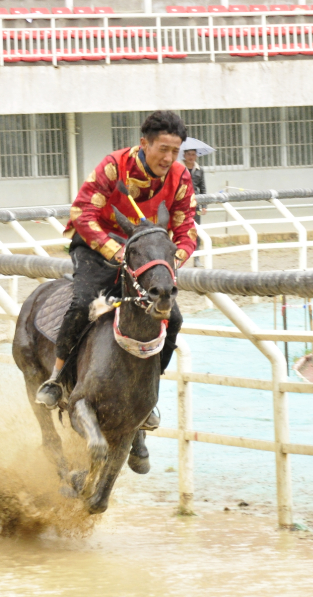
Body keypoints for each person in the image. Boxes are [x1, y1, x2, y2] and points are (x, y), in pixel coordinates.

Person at [35, 111, 198, 415]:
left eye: (175, 151)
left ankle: (148, 392)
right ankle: (57, 378)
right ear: (144, 144)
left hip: (146, 257)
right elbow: (82, 213)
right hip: (98, 247)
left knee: (173, 318)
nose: (169, 158)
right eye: (163, 149)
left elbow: (186, 228)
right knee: (83, 302)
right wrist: (116, 251)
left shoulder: (181, 176)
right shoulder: (113, 166)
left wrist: (169, 261)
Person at [183, 146, 206, 266]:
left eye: (193, 154)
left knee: (197, 232)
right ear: (184, 155)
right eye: (189, 154)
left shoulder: (199, 170)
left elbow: (203, 188)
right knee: (180, 232)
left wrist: (204, 205)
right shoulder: (179, 168)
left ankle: (196, 258)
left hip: (195, 205)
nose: (191, 157)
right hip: (181, 205)